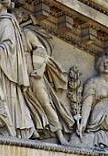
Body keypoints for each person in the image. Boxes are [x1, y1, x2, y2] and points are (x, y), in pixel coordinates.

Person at [20, 11, 74, 145]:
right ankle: (31, 130)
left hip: (32, 72)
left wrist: (39, 70)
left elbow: (41, 50)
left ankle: (59, 135)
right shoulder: (9, 33)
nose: (15, 19)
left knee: (45, 102)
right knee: (20, 102)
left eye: (18, 16)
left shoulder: (26, 33)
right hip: (16, 73)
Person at [0, 0, 35, 137]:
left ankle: (12, 125)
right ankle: (1, 124)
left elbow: (8, 43)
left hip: (5, 67)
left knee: (7, 94)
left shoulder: (6, 22)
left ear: (3, 3)